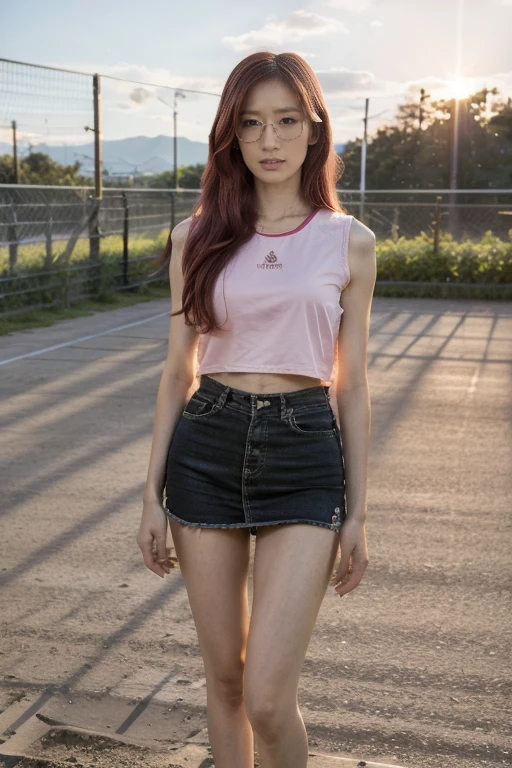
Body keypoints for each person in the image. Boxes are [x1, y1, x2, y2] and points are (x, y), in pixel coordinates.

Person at [137, 50, 376, 768]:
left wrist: (360, 509)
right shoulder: (197, 235)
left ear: (314, 129)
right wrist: (150, 495)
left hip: (305, 453)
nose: (269, 141)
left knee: (270, 697)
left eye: (285, 121)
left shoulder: (351, 242)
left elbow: (354, 382)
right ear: (232, 136)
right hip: (205, 448)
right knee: (227, 678)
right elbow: (178, 368)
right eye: (251, 124)